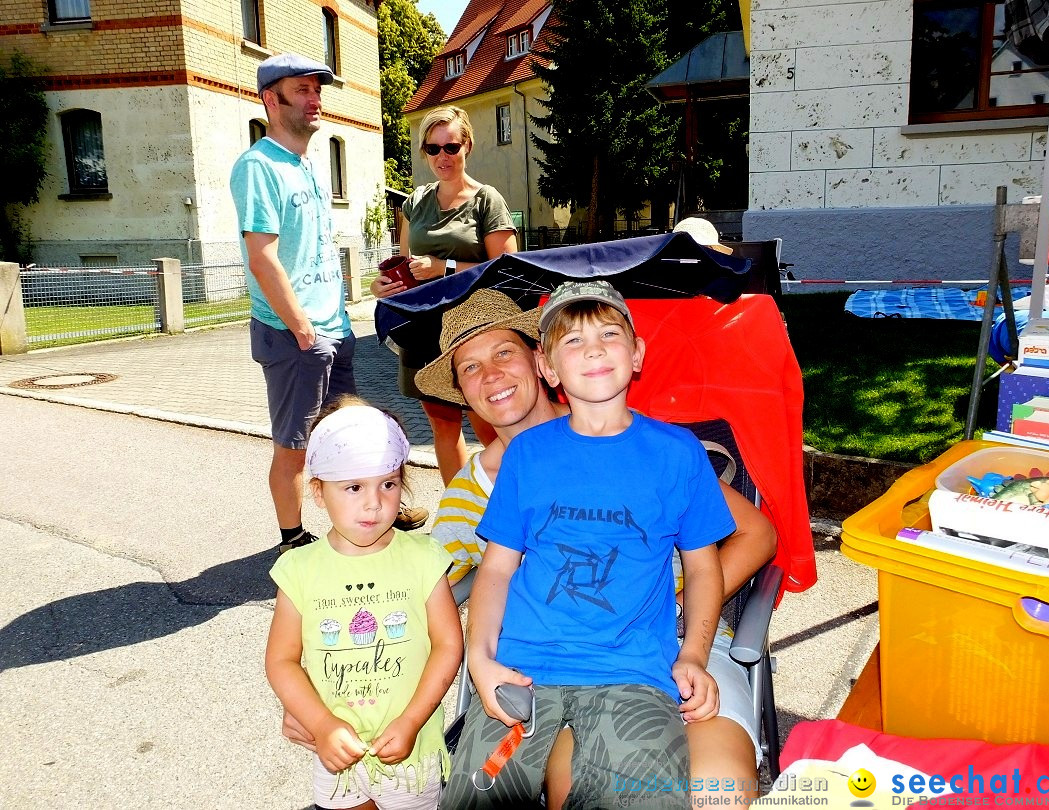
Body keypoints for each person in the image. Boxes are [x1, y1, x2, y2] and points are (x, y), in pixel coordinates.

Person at [418, 288, 774, 807]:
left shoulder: (672, 452)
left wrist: (688, 645)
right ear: (551, 364)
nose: (491, 375)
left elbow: (716, 557)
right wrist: (480, 660)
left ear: (636, 353)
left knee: (675, 792)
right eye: (470, 367)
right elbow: (466, 582)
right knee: (480, 793)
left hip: (639, 663)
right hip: (530, 668)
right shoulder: (512, 468)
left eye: (502, 353)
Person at [231, 53, 423, 555]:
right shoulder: (258, 166)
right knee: (295, 445)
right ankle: (292, 539)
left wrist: (350, 305)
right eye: (302, 90)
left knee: (351, 430)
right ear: (272, 100)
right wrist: (302, 329)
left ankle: (372, 515)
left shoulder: (309, 165)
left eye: (318, 90)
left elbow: (314, 252)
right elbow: (264, 258)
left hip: (332, 328)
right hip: (295, 335)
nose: (315, 99)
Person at [265, 398, 463, 809]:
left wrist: (411, 720)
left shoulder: (425, 558)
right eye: (354, 487)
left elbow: (449, 645)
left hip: (411, 754)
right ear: (318, 492)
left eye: (387, 484)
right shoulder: (298, 568)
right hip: (334, 751)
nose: (374, 502)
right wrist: (320, 724)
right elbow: (281, 659)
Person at [371, 105, 517, 486]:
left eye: (450, 147)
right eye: (432, 149)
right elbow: (405, 261)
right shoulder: (415, 202)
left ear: (467, 144)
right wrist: (384, 286)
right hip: (423, 329)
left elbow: (509, 270)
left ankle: (509, 510)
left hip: (475, 328)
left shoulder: (487, 200)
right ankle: (459, 512)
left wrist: (445, 268)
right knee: (442, 424)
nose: (442, 157)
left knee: (489, 424)